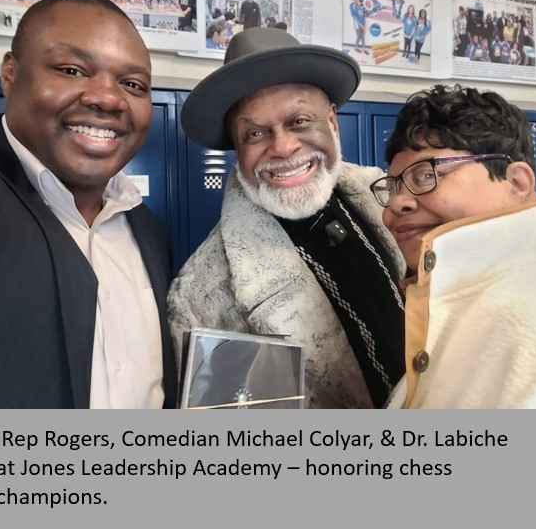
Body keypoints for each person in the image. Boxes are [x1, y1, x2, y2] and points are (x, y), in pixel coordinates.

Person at [168, 28, 407, 409]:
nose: (281, 147)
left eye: (298, 121)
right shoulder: (203, 293)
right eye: (255, 133)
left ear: (332, 121)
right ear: (237, 147)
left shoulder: (390, 199)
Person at [0, 0, 177, 409]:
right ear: (10, 74)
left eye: (132, 84)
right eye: (72, 70)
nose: (108, 98)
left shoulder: (148, 230)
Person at [372, 84, 536, 409]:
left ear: (517, 182)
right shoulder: (465, 296)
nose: (396, 204)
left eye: (426, 175)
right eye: (393, 186)